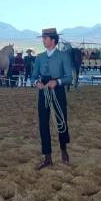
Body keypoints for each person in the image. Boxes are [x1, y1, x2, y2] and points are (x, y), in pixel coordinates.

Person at [30, 28, 74, 170]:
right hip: (44, 92)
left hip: (58, 90)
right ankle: (47, 157)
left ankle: (63, 149)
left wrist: (57, 82)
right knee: (43, 123)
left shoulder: (63, 56)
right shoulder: (39, 57)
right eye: (43, 38)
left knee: (61, 120)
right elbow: (33, 75)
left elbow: (69, 77)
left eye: (45, 38)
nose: (43, 40)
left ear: (53, 40)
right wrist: (36, 83)